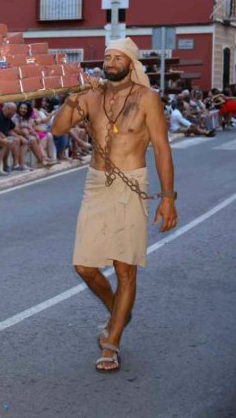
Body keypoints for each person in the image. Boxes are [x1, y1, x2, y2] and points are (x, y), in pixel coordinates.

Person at [52, 37, 178, 373]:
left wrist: (168, 197)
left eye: (117, 57)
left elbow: (162, 148)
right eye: (107, 56)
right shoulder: (92, 96)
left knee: (125, 269)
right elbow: (57, 128)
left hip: (132, 183)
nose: (110, 61)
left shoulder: (147, 98)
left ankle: (112, 342)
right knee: (85, 267)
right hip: (96, 183)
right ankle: (118, 310)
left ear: (130, 63)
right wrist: (73, 97)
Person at [12, 102, 56, 167]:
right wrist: (25, 132)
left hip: (27, 135)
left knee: (36, 138)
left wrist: (34, 134)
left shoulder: (27, 117)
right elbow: (15, 129)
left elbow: (30, 128)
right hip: (18, 135)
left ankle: (44, 159)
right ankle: (42, 160)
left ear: (27, 110)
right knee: (32, 139)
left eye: (25, 109)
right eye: (21, 108)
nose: (22, 110)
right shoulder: (16, 117)